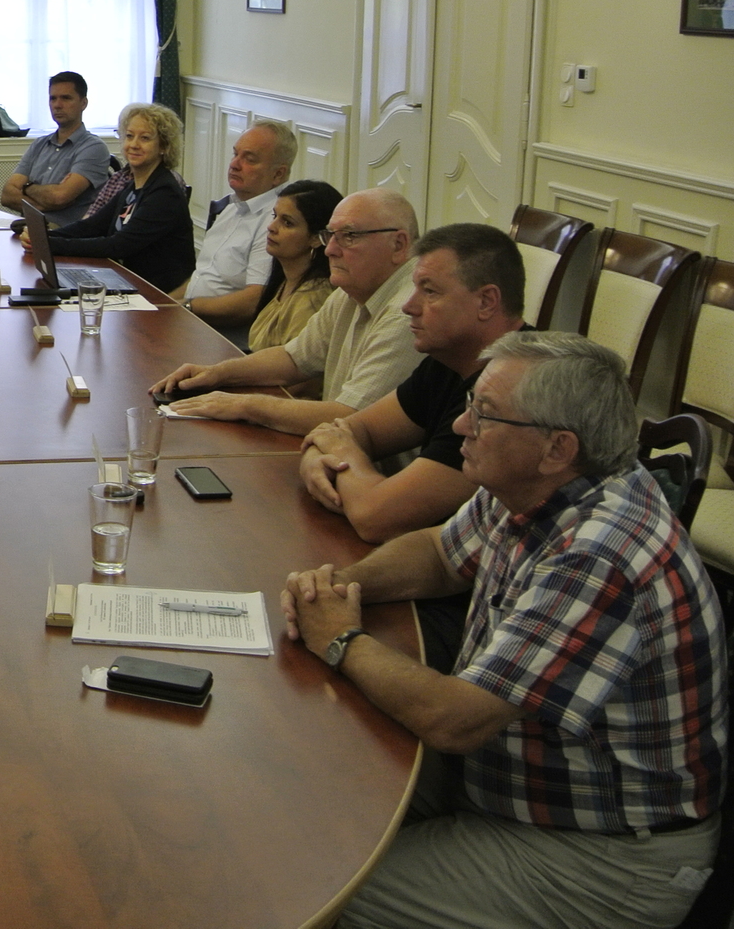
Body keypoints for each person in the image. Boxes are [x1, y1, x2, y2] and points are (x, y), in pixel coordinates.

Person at [282, 333, 726, 929]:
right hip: (508, 780)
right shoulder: (531, 485)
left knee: (320, 892)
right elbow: (442, 554)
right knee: (310, 787)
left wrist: (340, 638)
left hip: (598, 855)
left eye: (485, 414)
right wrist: (342, 587)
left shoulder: (599, 553)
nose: (460, 425)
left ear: (557, 447)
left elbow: (456, 720)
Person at [300, 224, 529, 545]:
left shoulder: (512, 391)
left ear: (487, 302)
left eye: (430, 291)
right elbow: (349, 429)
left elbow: (375, 517)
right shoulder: (451, 359)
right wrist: (314, 458)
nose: (409, 306)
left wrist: (336, 452)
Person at [152, 187, 421, 435]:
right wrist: (216, 374)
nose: (330, 249)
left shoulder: (406, 314)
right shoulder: (352, 290)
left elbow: (351, 417)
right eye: (330, 235)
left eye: (349, 236)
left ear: (398, 244)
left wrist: (244, 405)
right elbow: (294, 359)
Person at [22, 101, 193, 293]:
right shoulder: (133, 186)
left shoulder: (165, 193)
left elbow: (118, 246)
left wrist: (48, 244)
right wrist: (41, 236)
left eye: (145, 138)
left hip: (157, 292)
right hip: (126, 280)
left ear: (163, 146)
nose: (134, 145)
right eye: (129, 136)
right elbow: (91, 227)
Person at [178, 121, 295, 336]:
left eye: (249, 159)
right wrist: (162, 305)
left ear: (278, 174)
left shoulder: (274, 221)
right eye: (235, 154)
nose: (234, 164)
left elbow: (253, 301)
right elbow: (202, 277)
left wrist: (186, 307)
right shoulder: (232, 207)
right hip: (191, 321)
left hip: (225, 335)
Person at [0, 71, 112, 226]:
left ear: (83, 103)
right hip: (30, 228)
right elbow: (7, 195)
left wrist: (26, 187)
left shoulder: (94, 148)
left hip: (67, 234)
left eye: (66, 98)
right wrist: (42, 206)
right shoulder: (39, 144)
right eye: (53, 98)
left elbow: (60, 197)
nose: (57, 105)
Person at [246, 179, 341, 353]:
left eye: (287, 223)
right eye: (275, 216)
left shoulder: (312, 298)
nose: (271, 227)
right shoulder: (286, 280)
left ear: (316, 238)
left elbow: (296, 365)